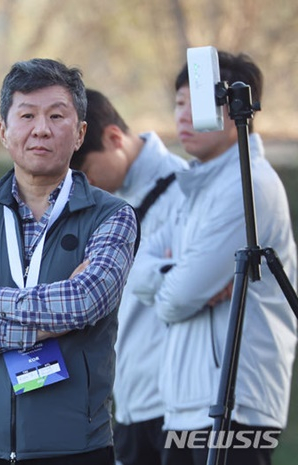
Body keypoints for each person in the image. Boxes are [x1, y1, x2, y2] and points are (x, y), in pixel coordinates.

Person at [0, 58, 139, 465]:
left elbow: (82, 302)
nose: (41, 128)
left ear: (79, 134)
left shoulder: (112, 216)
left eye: (57, 116)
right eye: (27, 115)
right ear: (4, 131)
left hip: (77, 448)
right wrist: (36, 332)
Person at [131, 50, 297, 465]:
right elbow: (139, 270)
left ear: (234, 107)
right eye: (178, 105)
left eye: (196, 104)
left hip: (237, 406)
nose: (182, 118)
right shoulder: (195, 187)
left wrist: (176, 282)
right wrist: (178, 273)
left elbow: (172, 301)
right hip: (185, 404)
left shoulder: (249, 185)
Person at [70, 88, 188, 465]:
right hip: (127, 401)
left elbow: (189, 284)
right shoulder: (101, 205)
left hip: (179, 401)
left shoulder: (185, 191)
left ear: (114, 138)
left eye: (85, 173)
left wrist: (106, 271)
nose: (83, 188)